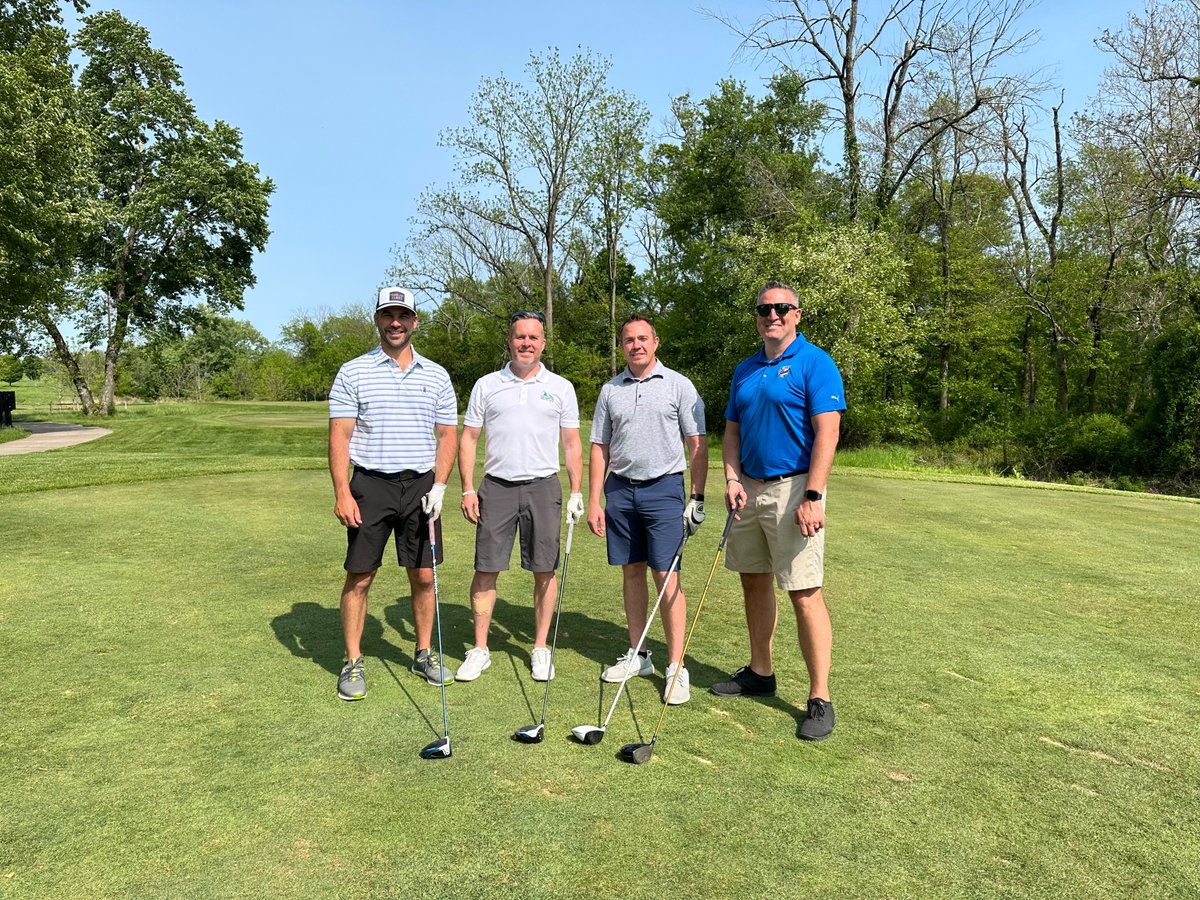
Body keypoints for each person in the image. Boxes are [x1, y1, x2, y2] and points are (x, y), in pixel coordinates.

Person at [714, 281, 846, 741]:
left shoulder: (815, 362)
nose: (772, 315)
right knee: (753, 580)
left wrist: (813, 495)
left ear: (797, 314)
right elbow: (731, 433)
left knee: (804, 591)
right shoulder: (745, 370)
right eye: (764, 309)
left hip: (795, 490)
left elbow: (827, 434)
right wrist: (731, 478)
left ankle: (819, 697)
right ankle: (760, 672)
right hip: (748, 489)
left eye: (781, 308)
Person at [328, 287, 458, 701]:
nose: (396, 322)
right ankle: (352, 661)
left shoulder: (436, 374)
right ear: (377, 320)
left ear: (415, 322)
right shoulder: (353, 371)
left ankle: (424, 653)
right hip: (370, 484)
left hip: (421, 484)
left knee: (423, 575)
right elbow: (340, 435)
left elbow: (447, 434)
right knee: (361, 576)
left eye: (403, 315)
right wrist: (342, 492)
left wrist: (440, 484)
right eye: (389, 315)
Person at [455, 310, 584, 683]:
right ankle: (480, 649)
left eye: (533, 337)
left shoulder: (560, 387)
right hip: (496, 486)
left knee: (544, 569)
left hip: (543, 486)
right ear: (509, 341)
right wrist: (467, 487)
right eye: (519, 337)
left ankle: (540, 647)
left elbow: (572, 443)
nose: (526, 343)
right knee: (486, 568)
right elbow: (469, 439)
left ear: (543, 342)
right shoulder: (486, 385)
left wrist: (577, 490)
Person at [587, 314, 707, 705]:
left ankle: (676, 665)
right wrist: (593, 500)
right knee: (631, 571)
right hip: (620, 491)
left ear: (656, 342)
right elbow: (599, 448)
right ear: (621, 345)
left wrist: (697, 496)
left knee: (665, 575)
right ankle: (639, 655)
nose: (635, 345)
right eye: (628, 340)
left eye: (642, 338)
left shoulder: (679, 385)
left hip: (664, 489)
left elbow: (696, 443)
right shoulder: (610, 390)